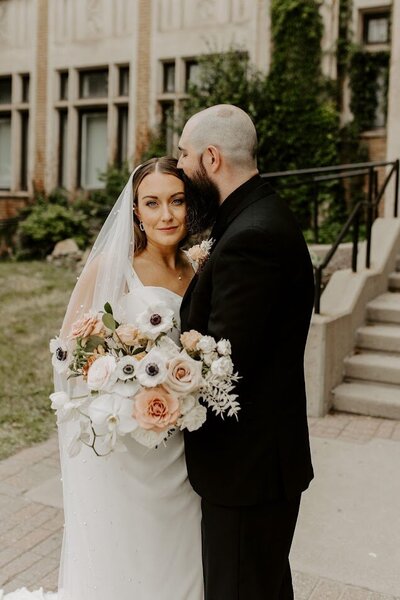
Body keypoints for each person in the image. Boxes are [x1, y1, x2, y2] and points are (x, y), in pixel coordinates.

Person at [2, 158, 204, 600]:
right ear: (135, 211)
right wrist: (121, 388)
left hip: (179, 444)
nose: (165, 215)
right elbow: (70, 355)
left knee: (175, 543)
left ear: (190, 207)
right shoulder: (114, 268)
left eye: (176, 201)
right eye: (151, 203)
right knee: (126, 545)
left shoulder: (196, 270)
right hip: (125, 447)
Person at [178, 104, 314, 600]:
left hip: (246, 473)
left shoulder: (250, 238)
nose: (179, 168)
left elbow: (223, 367)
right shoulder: (254, 216)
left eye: (184, 155)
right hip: (258, 469)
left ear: (211, 158)